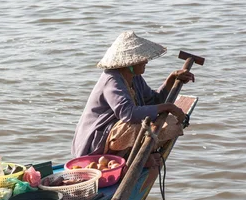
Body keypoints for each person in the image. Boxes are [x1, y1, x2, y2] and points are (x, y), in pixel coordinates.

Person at [71, 31, 195, 161]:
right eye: (142, 58)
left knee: (173, 122)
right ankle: (126, 160)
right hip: (94, 144)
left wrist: (171, 80)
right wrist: (168, 107)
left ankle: (134, 156)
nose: (146, 61)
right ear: (130, 63)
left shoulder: (134, 78)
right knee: (134, 128)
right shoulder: (112, 80)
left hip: (112, 135)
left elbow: (153, 100)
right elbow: (128, 114)